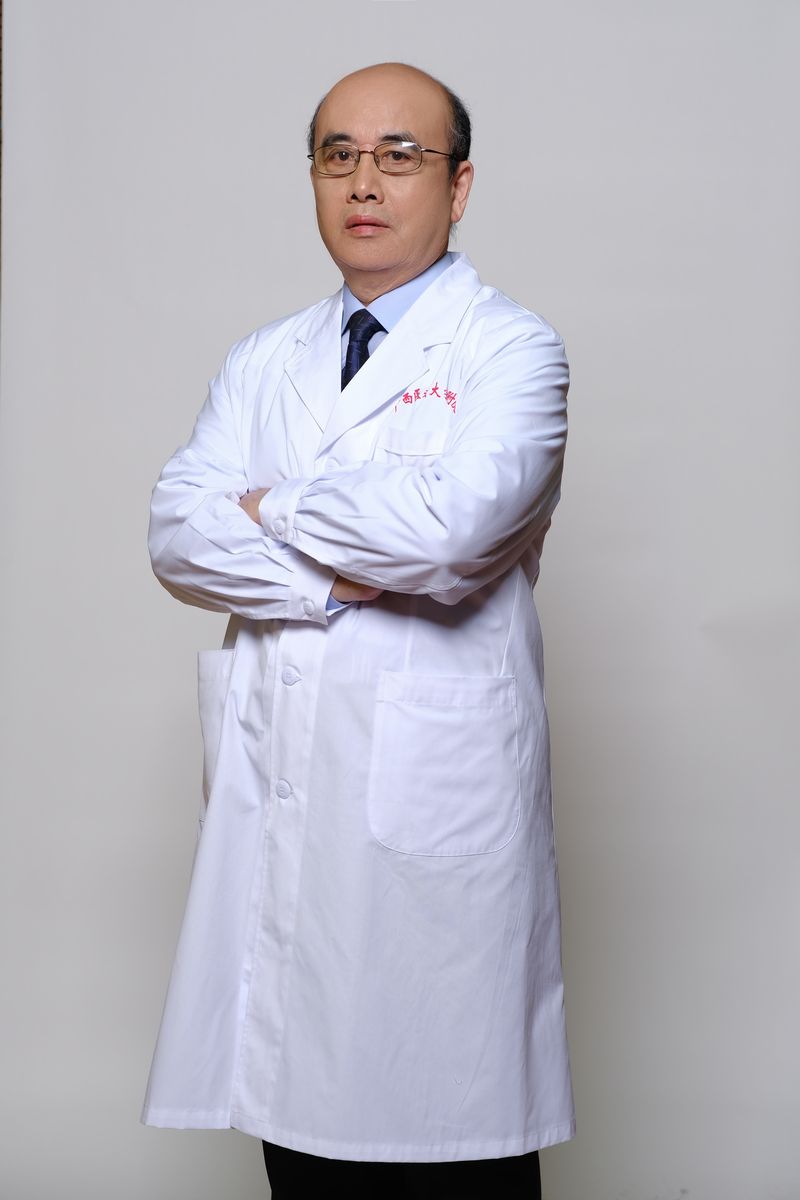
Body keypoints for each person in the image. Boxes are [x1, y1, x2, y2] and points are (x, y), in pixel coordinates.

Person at [143, 62, 574, 1198]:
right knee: (299, 1144)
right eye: (338, 156)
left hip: (435, 825)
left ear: (458, 185)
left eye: (399, 156)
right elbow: (178, 535)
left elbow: (450, 532)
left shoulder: (511, 350)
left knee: (453, 1145)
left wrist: (271, 507)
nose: (364, 182)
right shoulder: (263, 359)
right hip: (290, 801)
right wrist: (335, 582)